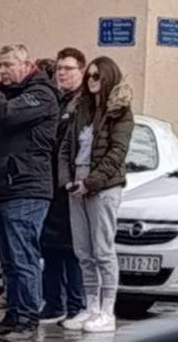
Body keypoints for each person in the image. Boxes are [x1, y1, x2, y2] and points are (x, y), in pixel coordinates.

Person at [0, 45, 59, 342]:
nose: (2, 71)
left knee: (23, 257)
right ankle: (13, 315)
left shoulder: (42, 94)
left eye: (8, 64)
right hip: (3, 187)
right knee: (10, 259)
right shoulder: (11, 93)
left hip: (26, 187)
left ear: (28, 65)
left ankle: (27, 319)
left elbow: (7, 114)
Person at [58, 57, 132, 334]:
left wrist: (91, 182)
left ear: (109, 77)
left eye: (97, 76)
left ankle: (107, 310)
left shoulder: (120, 112)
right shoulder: (81, 110)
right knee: (83, 251)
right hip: (76, 185)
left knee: (103, 250)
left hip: (104, 187)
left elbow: (117, 154)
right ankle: (90, 307)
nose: (91, 81)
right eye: (89, 76)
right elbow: (66, 148)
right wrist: (67, 181)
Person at [39, 48, 87, 325]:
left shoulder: (82, 105)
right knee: (50, 245)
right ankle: (53, 303)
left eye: (68, 68)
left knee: (72, 247)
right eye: (59, 68)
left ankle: (76, 304)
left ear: (81, 70)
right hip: (49, 182)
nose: (62, 73)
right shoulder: (55, 101)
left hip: (70, 182)